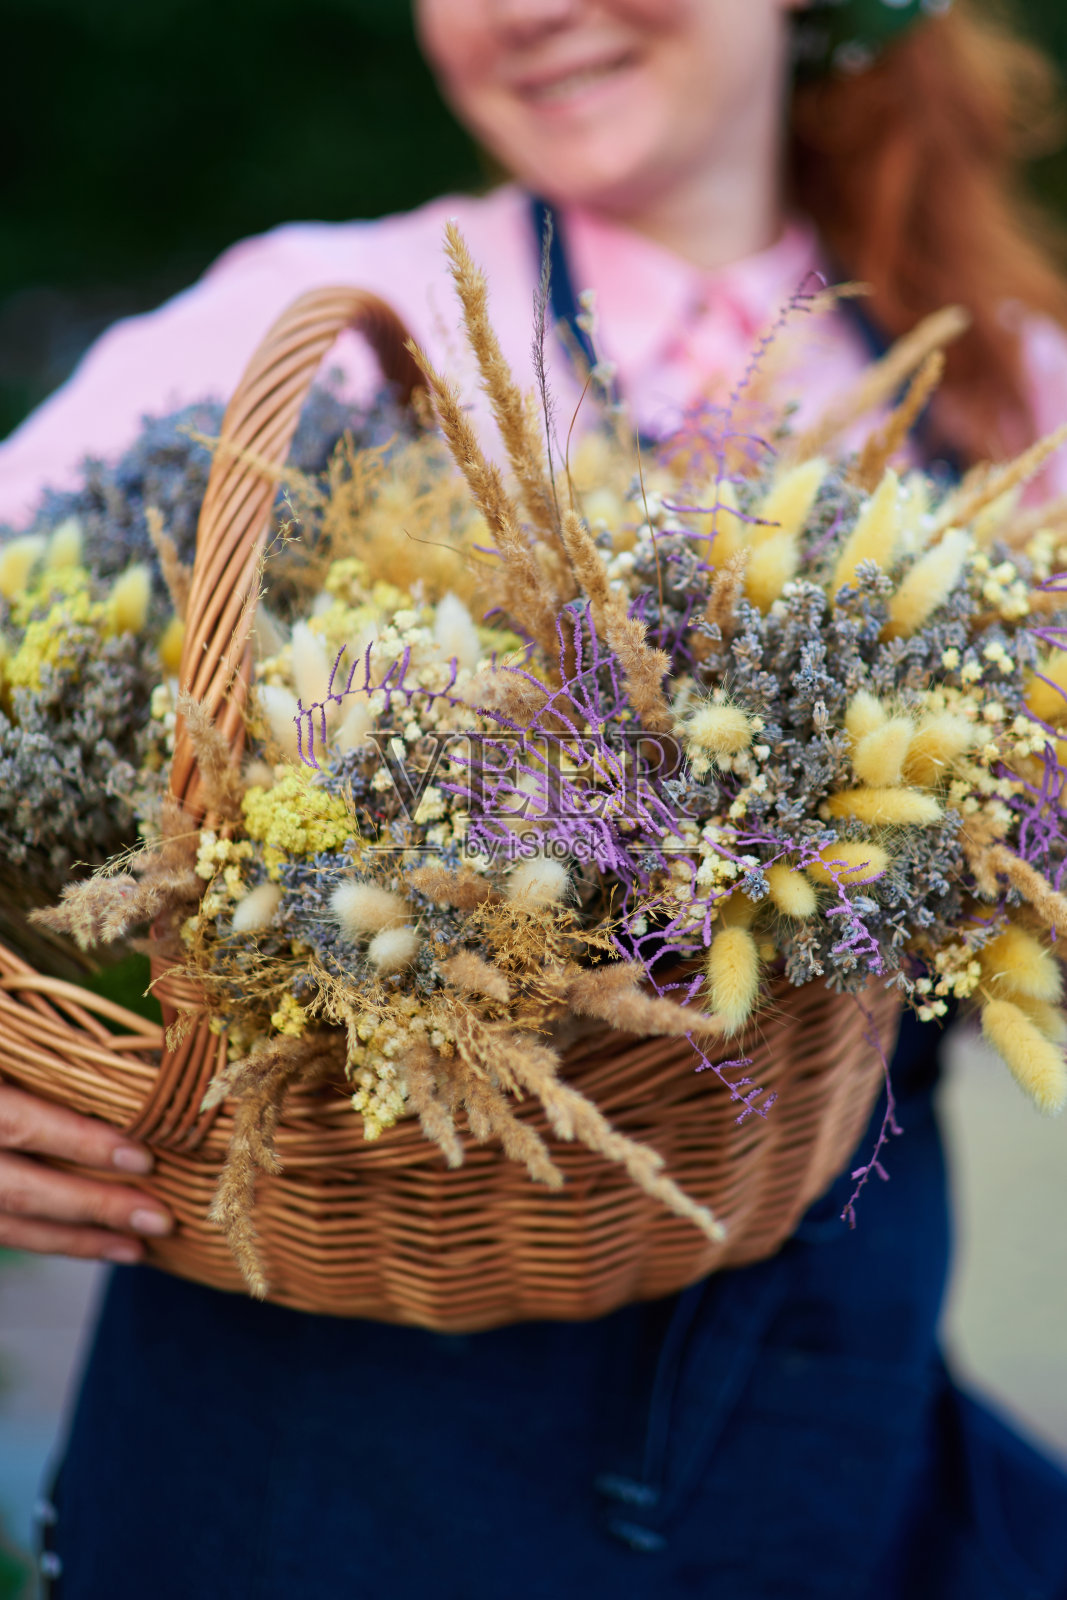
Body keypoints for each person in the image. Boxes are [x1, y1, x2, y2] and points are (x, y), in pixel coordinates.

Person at [2, 1, 1067, 1594]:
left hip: (803, 1453)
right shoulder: (299, 325)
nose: (527, 10)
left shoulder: (1012, 408)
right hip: (307, 1470)